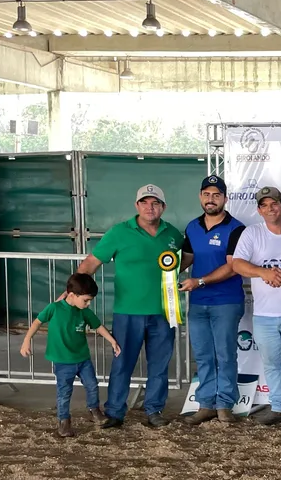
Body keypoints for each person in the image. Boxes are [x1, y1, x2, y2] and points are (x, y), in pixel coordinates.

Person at [76, 184, 184, 429]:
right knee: (122, 363)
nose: (150, 207)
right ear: (137, 206)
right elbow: (92, 262)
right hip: (127, 312)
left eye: (155, 203)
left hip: (163, 312)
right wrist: (74, 291)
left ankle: (154, 409)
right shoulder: (119, 232)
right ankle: (115, 411)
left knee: (160, 364)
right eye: (145, 202)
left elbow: (182, 260)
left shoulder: (173, 234)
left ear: (163, 207)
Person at [229, 186, 281, 430]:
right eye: (264, 205)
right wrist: (264, 272)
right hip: (264, 314)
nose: (270, 209)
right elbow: (237, 265)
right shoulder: (252, 233)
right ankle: (278, 407)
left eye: (274, 203)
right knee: (272, 363)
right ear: (258, 210)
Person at [179, 175, 247, 425]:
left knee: (225, 354)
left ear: (225, 199)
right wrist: (167, 268)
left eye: (216, 195)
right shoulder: (192, 226)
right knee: (204, 354)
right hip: (198, 302)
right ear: (200, 197)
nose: (211, 199)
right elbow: (187, 258)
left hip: (226, 301)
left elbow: (233, 267)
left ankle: (225, 404)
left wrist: (200, 281)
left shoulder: (236, 228)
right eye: (206, 194)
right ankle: (206, 403)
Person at [20, 272, 121, 437]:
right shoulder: (54, 308)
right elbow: (37, 322)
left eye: (90, 301)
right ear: (72, 295)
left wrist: (112, 340)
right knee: (64, 392)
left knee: (92, 385)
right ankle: (64, 421)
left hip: (82, 358)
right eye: (86, 300)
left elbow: (98, 326)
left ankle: (94, 410)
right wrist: (26, 340)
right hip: (62, 361)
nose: (88, 304)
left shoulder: (84, 312)